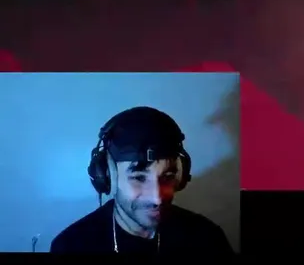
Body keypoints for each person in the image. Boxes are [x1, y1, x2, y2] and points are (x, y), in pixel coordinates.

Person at [49, 106, 233, 254]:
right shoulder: (70, 246)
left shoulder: (208, 238)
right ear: (108, 176)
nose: (156, 198)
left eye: (167, 177)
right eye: (138, 177)